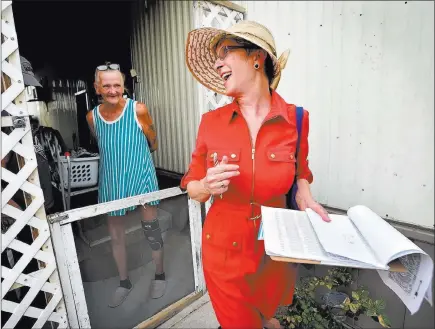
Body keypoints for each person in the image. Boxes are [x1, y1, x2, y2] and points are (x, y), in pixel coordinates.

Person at [181, 21, 332, 329]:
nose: (218, 63)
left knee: (267, 320)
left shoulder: (297, 120)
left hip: (274, 251)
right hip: (224, 249)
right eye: (215, 57)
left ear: (256, 57)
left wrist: (309, 203)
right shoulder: (211, 122)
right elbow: (191, 187)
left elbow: (300, 177)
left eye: (225, 52)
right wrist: (206, 185)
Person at [86, 63, 165, 308]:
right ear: (97, 88)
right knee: (116, 235)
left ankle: (159, 274)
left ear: (123, 86)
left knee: (151, 229)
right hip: (112, 181)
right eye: (106, 85)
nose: (112, 90)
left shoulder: (138, 110)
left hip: (141, 176)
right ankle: (124, 282)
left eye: (117, 85)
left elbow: (153, 144)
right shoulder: (92, 116)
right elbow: (103, 143)